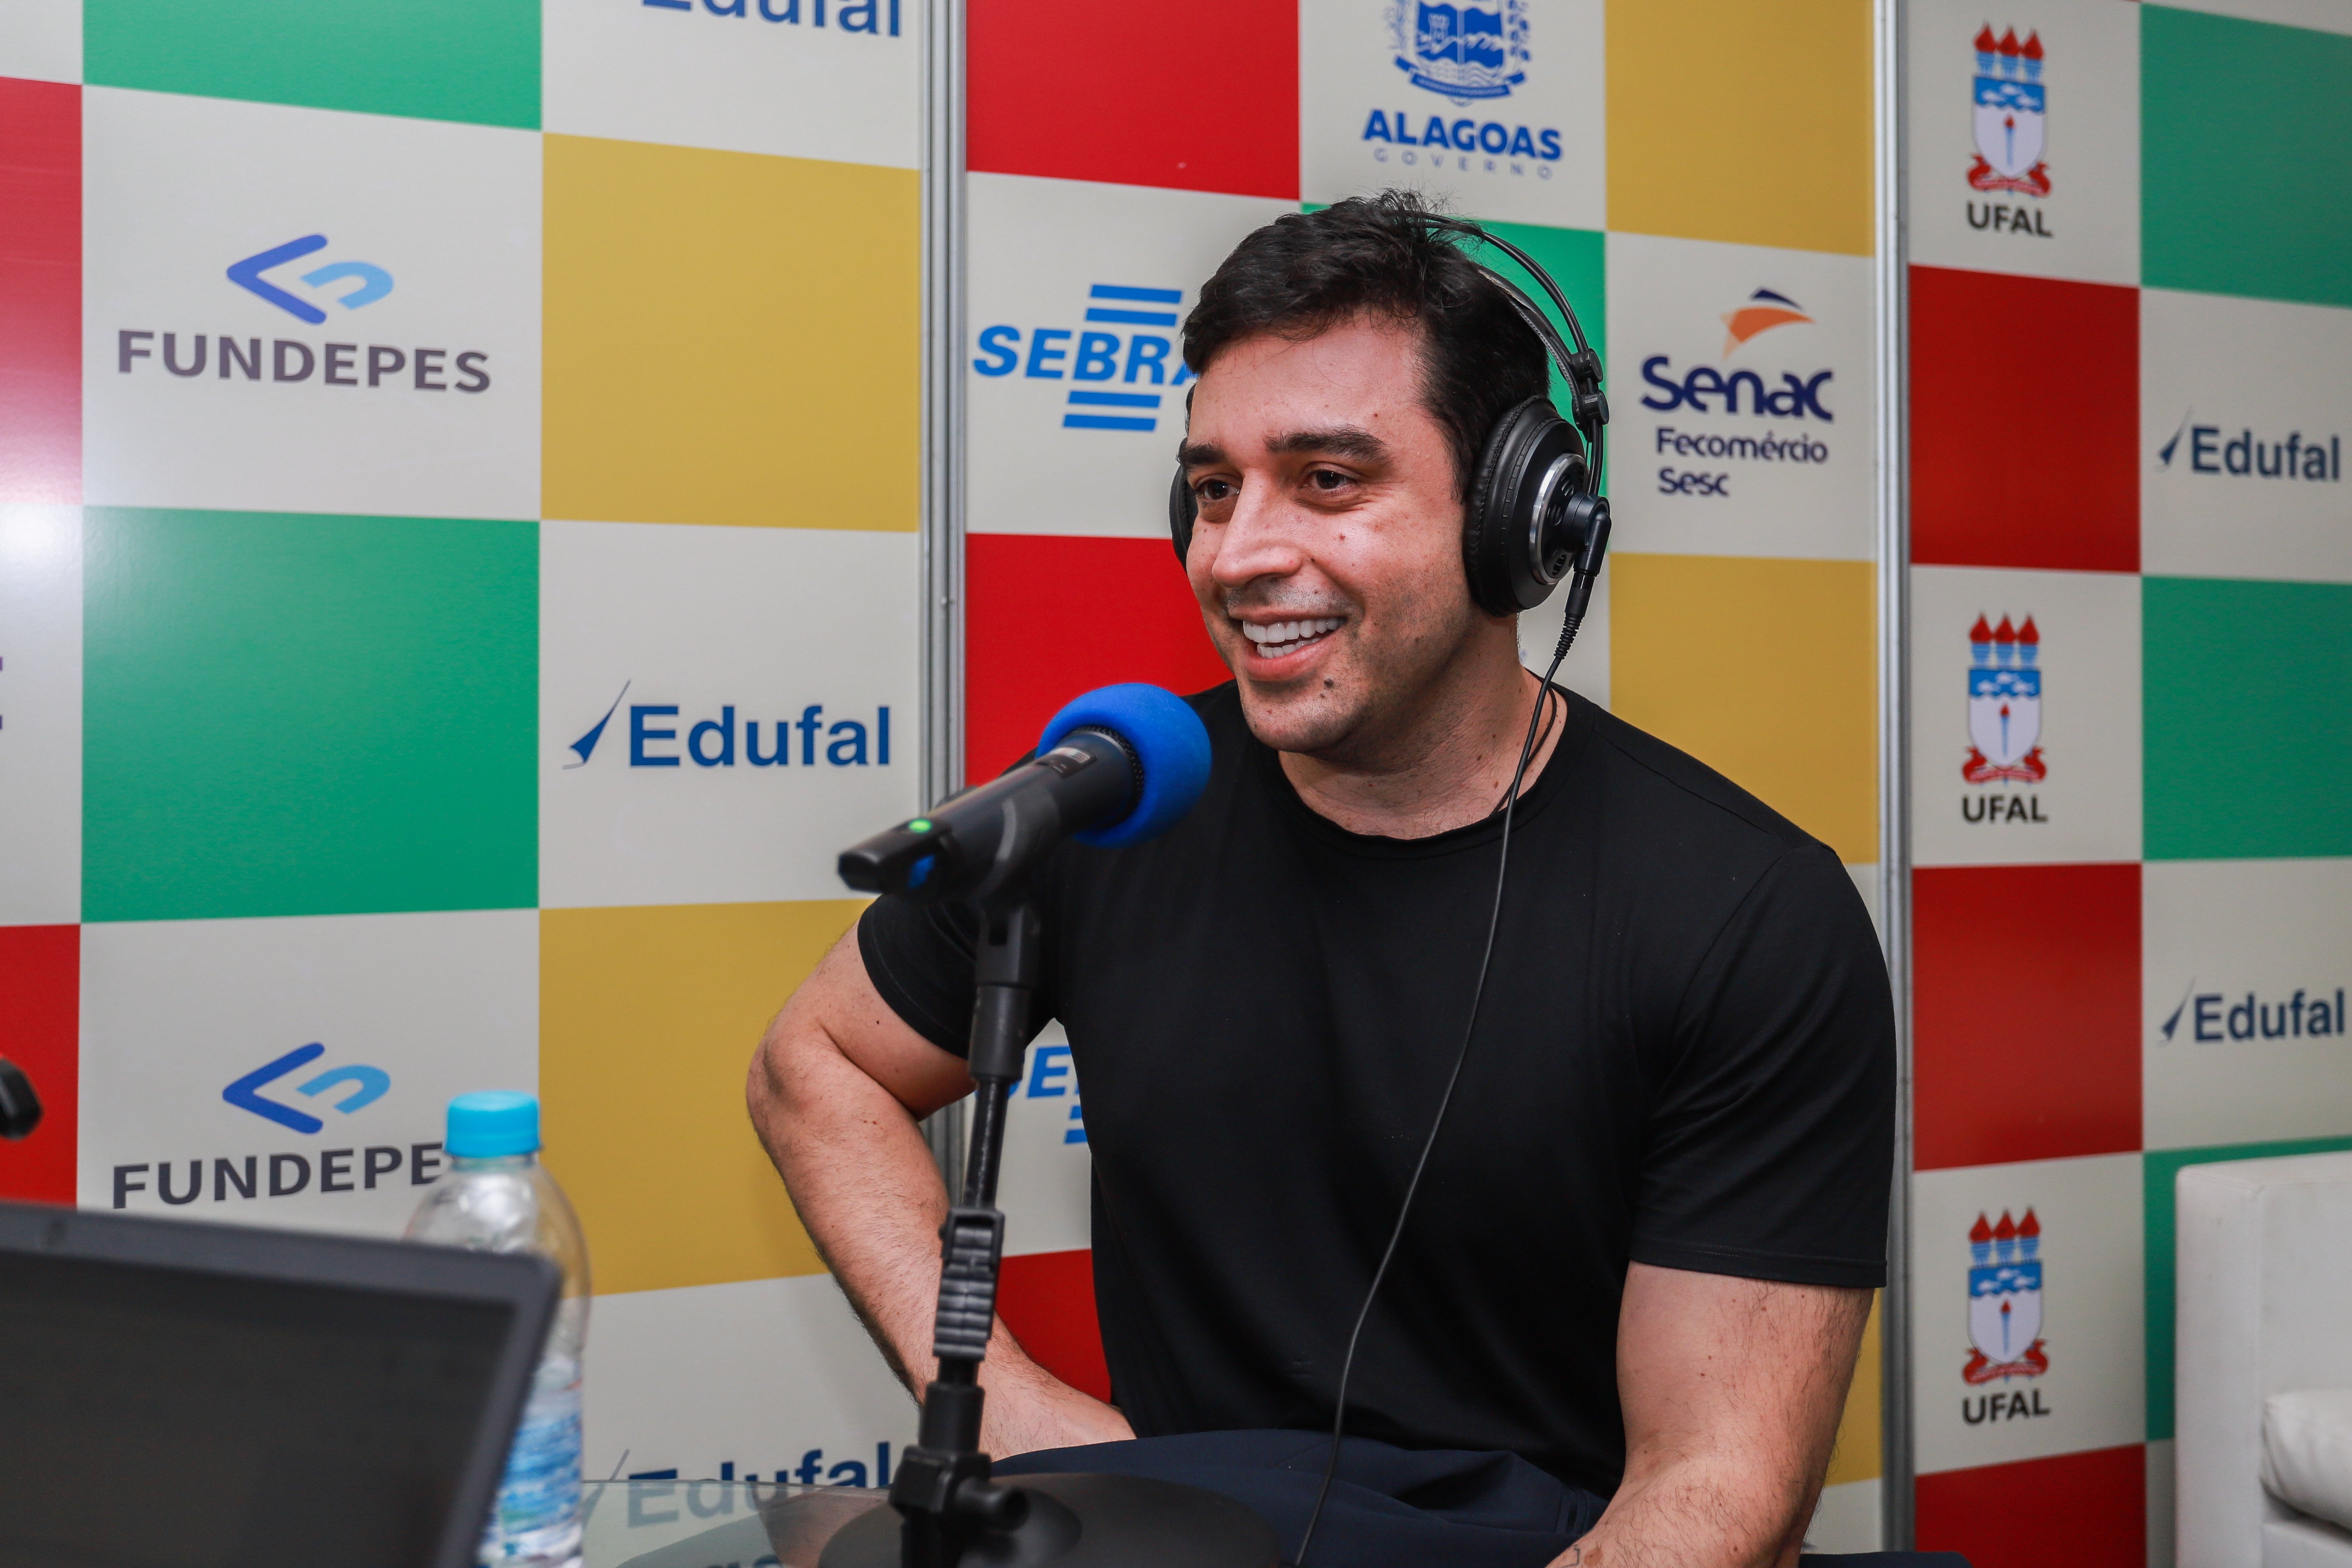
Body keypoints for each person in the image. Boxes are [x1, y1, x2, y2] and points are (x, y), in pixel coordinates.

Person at [749, 191, 1899, 1568]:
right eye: (1213, 489)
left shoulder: (1745, 914)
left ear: (1516, 517)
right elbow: (817, 1061)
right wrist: (1008, 1400)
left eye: (1329, 481)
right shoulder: (1110, 802)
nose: (1238, 553)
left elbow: (1716, 1489)